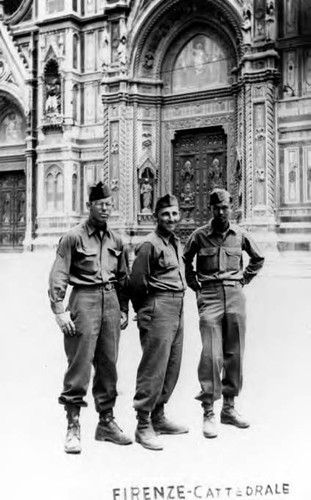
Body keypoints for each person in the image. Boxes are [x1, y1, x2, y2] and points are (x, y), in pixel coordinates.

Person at [48, 181, 132, 454]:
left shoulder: (117, 240)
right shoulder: (73, 237)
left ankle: (106, 422)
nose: (105, 209)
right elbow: (59, 273)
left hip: (110, 302)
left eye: (109, 204)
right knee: (80, 364)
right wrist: (59, 309)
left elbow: (122, 277)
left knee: (109, 364)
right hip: (83, 300)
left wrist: (123, 308)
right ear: (90, 206)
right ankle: (73, 425)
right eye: (100, 205)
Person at [183, 188, 264, 439]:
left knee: (234, 352)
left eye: (225, 207)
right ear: (210, 209)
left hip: (235, 294)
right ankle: (208, 411)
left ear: (231, 207)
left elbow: (258, 258)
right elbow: (186, 260)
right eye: (216, 208)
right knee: (211, 354)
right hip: (210, 297)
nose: (221, 212)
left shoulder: (240, 235)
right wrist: (196, 287)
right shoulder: (199, 236)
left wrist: (243, 280)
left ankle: (229, 408)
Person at [129, 194, 188, 450]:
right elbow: (136, 284)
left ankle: (159, 417)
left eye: (174, 214)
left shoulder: (175, 241)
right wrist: (145, 312)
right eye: (166, 214)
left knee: (171, 366)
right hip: (158, 307)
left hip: (177, 307)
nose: (171, 218)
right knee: (153, 367)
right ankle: (143, 425)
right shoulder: (148, 244)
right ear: (156, 217)